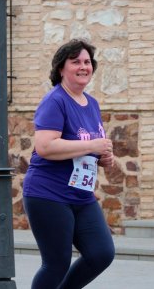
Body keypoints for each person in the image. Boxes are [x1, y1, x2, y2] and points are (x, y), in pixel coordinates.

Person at [23, 39, 116, 289]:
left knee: (101, 253)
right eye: (76, 62)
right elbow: (45, 146)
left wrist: (104, 156)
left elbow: (90, 145)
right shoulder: (55, 100)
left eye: (87, 62)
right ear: (61, 68)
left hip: (81, 195)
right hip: (48, 193)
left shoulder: (92, 103)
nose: (83, 66)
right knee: (56, 263)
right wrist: (92, 146)